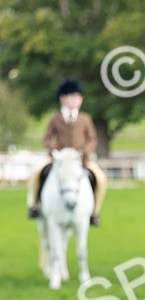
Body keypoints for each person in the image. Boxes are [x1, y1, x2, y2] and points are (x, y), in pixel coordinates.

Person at [27, 80, 107, 226]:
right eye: (71, 97)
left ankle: (94, 212)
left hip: (81, 159)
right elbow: (47, 138)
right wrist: (54, 149)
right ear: (62, 99)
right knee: (36, 172)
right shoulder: (55, 118)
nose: (74, 100)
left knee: (101, 178)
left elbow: (92, 139)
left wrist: (85, 150)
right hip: (59, 159)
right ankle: (34, 205)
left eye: (77, 97)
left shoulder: (85, 118)